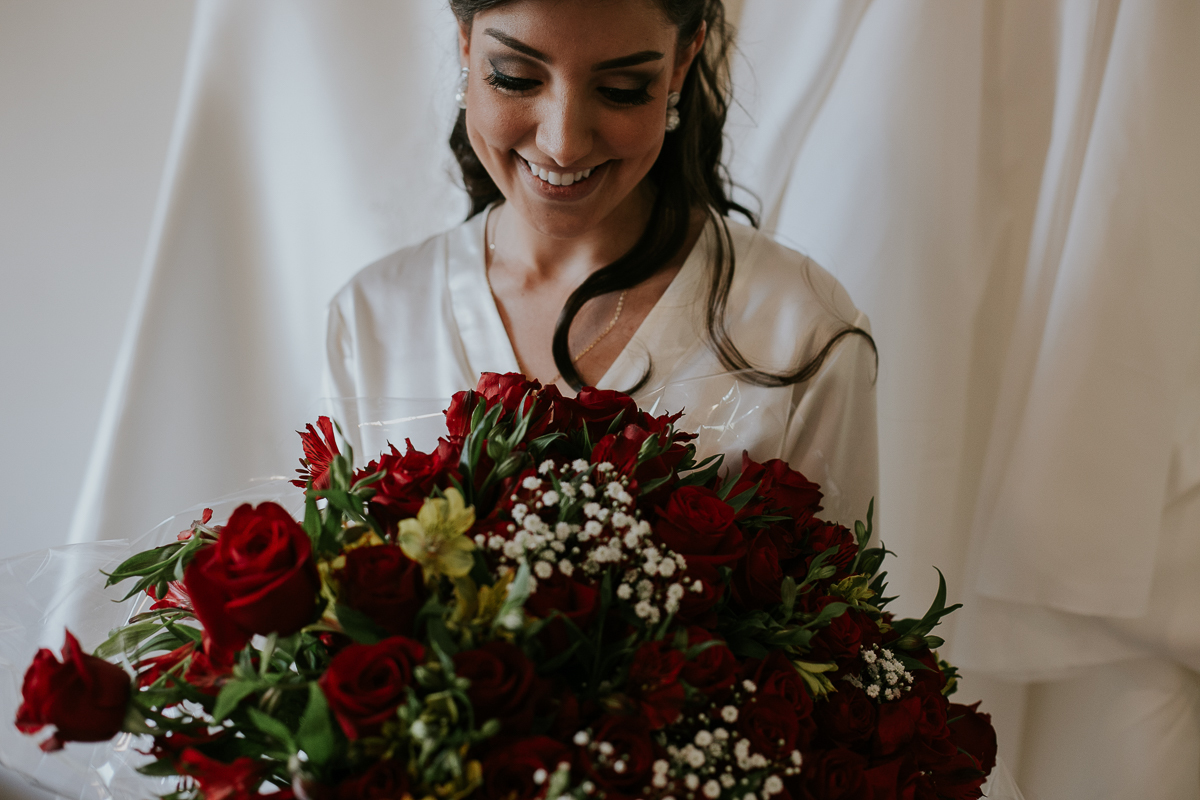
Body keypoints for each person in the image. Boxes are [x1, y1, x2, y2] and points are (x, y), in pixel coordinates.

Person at [324, 0, 879, 528]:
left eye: (621, 90)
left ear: (683, 61)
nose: (562, 143)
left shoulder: (800, 329)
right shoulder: (373, 319)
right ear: (466, 44)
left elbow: (846, 617)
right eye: (517, 77)